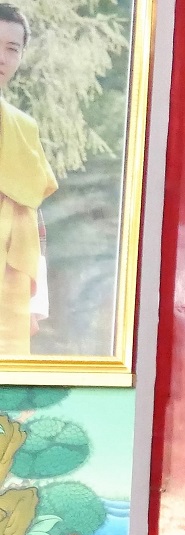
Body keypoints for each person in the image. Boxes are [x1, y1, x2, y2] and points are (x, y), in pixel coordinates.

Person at [0, 6, 53, 354]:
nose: (2, 57)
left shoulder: (23, 127)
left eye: (12, 48)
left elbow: (32, 218)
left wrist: (37, 299)